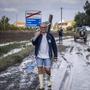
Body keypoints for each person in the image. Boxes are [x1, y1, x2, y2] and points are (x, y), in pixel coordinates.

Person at [32, 22, 58, 90]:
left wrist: (55, 56)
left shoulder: (50, 36)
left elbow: (54, 46)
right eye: (42, 27)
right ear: (40, 28)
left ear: (46, 28)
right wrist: (36, 35)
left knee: (47, 70)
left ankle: (49, 80)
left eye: (44, 27)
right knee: (40, 69)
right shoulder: (38, 35)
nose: (43, 28)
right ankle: (41, 85)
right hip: (39, 56)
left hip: (47, 56)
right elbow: (33, 43)